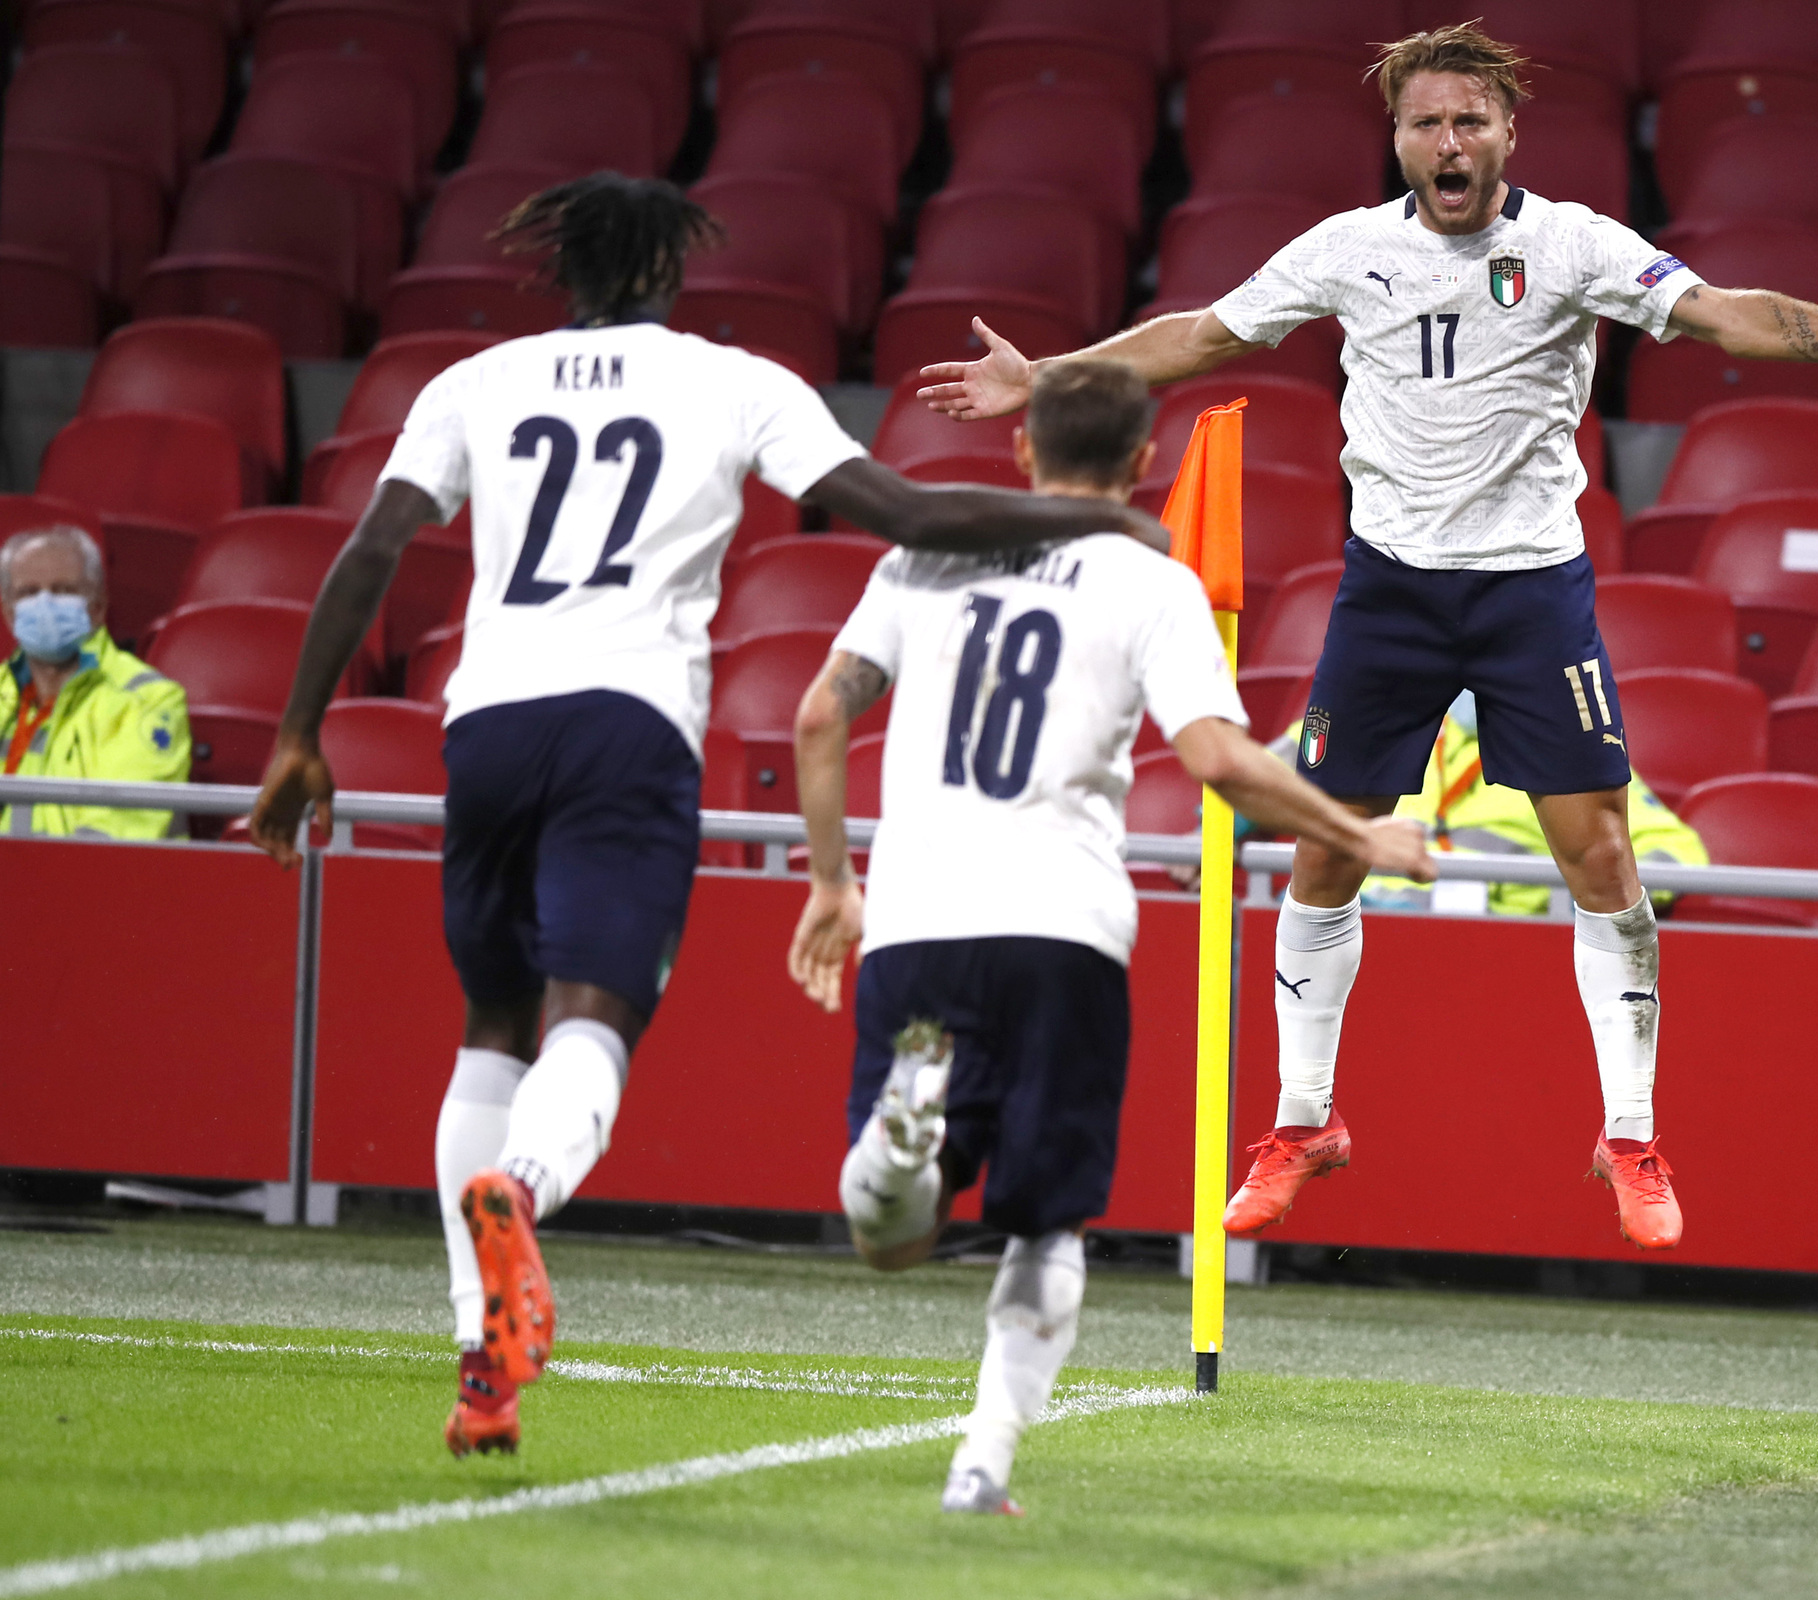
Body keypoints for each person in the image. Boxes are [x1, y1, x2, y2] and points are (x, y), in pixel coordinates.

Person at [917, 23, 1818, 1252]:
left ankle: (1631, 1134)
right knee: (1324, 852)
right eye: (1429, 123)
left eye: (1471, 122)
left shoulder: (1573, 244)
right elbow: (1203, 334)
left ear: (1506, 136)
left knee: (1600, 858)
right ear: (1399, 139)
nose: (1451, 142)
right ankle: (1303, 1123)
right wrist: (1047, 375)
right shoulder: (1347, 250)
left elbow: (1715, 313)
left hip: (1531, 592)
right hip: (1389, 593)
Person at [247, 175, 1184, 1461]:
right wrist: (1092, 519)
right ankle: (520, 1192)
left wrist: (300, 729)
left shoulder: (475, 379)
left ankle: (483, 1355)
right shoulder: (731, 379)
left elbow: (370, 546)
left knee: (492, 1024)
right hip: (626, 725)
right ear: (670, 273)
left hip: (487, 719)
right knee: (595, 1018)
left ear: (561, 272)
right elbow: (901, 515)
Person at [786, 360, 1436, 1515]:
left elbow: (820, 710)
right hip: (1061, 928)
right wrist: (1361, 836)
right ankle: (981, 1466)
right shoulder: (1152, 580)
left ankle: (901, 1146)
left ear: (1023, 451)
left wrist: (834, 881)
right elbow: (1221, 761)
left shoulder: (919, 552)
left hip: (917, 915)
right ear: (1143, 464)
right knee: (1046, 1223)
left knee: (890, 1234)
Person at [1348, 693, 1707, 917]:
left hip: (1502, 942)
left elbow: (1677, 852)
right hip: (1372, 926)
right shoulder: (1385, 727)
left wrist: (1590, 897)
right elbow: (1296, 781)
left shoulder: (1577, 754)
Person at [0, 525, 189, 838]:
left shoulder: (148, 700)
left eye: (63, 591)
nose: (45, 605)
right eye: (29, 593)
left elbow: (115, 835)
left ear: (98, 607)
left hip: (94, 882)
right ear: (9, 612)